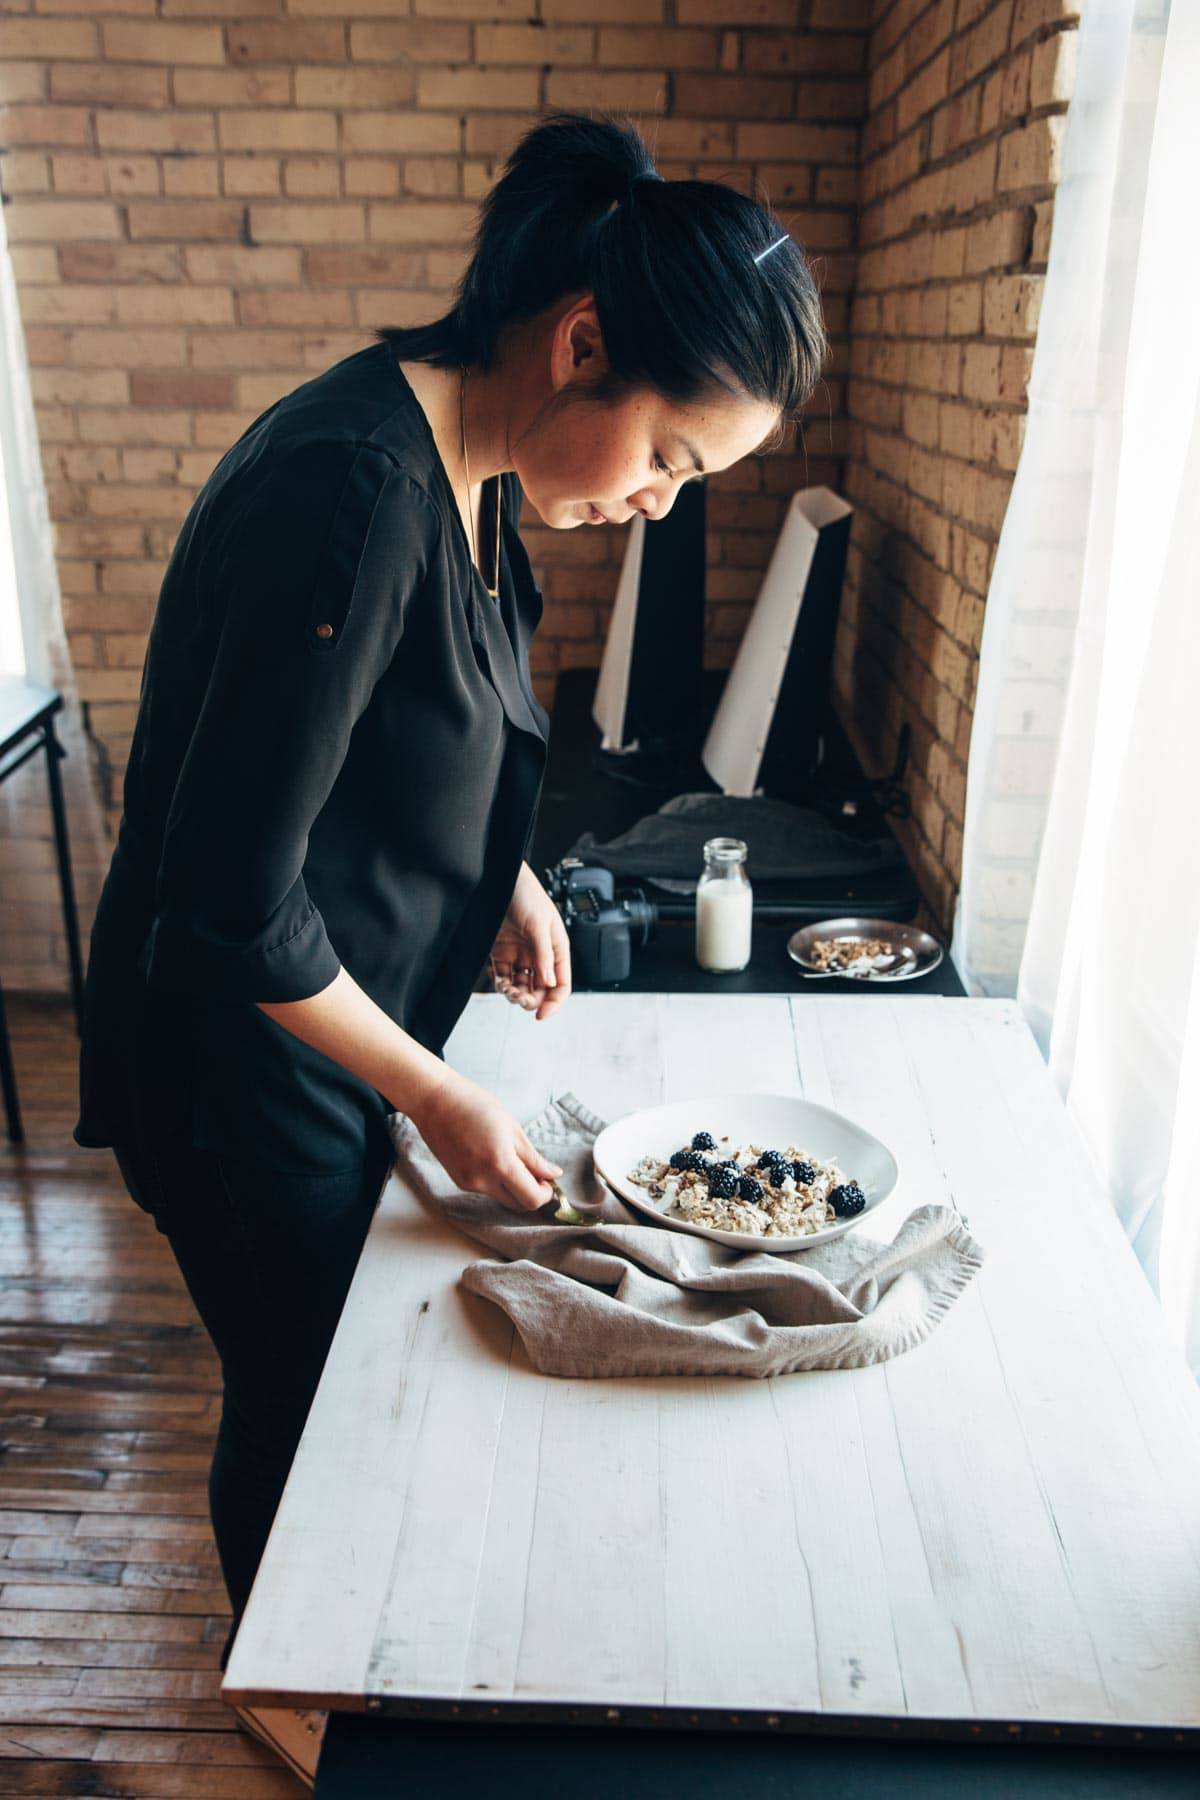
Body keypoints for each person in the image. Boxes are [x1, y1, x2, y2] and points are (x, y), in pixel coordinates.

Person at [72, 106, 827, 1754]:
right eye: (670, 462)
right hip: (231, 1058)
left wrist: (508, 880)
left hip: (338, 1023)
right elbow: (230, 891)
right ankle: (289, 1694)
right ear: (582, 344)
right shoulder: (350, 492)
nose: (657, 506)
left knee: (343, 1372)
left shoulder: (481, 476)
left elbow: (415, 734)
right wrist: (436, 1092)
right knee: (302, 1390)